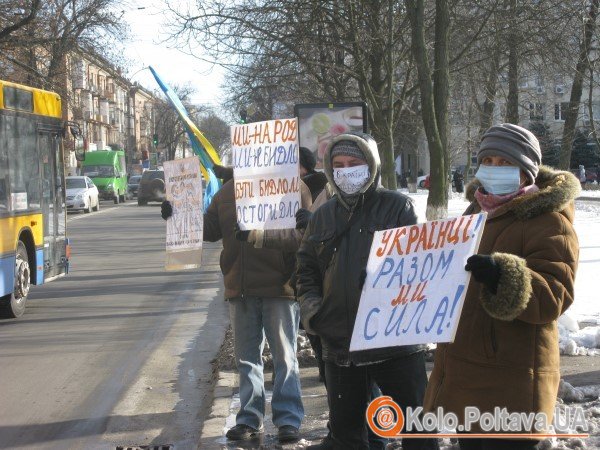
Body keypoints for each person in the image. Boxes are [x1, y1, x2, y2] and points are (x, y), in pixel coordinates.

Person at [424, 123, 580, 450]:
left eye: (505, 163)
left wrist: (505, 275)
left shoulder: (549, 221)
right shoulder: (474, 213)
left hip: (512, 383)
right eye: (488, 161)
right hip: (464, 376)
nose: (494, 170)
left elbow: (555, 295)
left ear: (525, 172)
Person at [296, 132, 438, 450]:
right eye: (339, 165)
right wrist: (314, 312)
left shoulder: (399, 207)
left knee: (419, 433)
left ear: (371, 166)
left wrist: (381, 284)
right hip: (340, 344)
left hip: (396, 344)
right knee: (347, 437)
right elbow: (305, 271)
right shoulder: (322, 216)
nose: (347, 171)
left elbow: (421, 268)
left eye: (354, 163)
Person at [161, 170, 312, 444]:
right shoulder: (227, 190)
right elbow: (210, 229)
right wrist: (178, 214)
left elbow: (304, 235)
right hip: (240, 287)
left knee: (284, 357)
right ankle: (249, 418)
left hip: (280, 286)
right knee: (246, 359)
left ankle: (288, 420)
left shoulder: (292, 185)